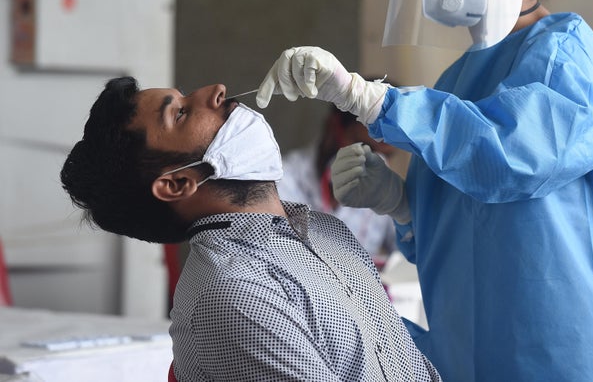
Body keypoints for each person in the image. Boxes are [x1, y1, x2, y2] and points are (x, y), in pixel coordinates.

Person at [255, 0, 593, 381]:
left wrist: (367, 98)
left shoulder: (565, 54)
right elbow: (466, 222)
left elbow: (509, 157)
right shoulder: (455, 82)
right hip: (464, 352)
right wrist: (402, 205)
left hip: (555, 353)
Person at [59, 77, 442, 382]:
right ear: (177, 184)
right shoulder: (231, 294)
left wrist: (403, 210)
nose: (215, 91)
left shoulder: (325, 230)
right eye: (180, 114)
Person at [277, 101, 397, 264]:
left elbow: (409, 254)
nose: (376, 163)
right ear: (335, 127)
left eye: (387, 156)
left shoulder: (387, 185)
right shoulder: (281, 181)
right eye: (365, 148)